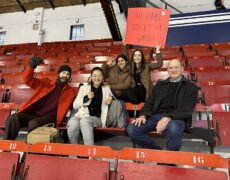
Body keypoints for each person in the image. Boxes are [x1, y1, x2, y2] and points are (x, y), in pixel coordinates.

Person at [126, 59, 198, 151]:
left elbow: (186, 109)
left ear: (182, 69)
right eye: (171, 67)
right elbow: (149, 102)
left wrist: (168, 117)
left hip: (176, 118)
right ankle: (157, 153)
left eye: (176, 67)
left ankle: (167, 162)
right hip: (155, 117)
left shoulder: (190, 87)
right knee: (132, 129)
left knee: (173, 128)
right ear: (167, 70)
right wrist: (143, 115)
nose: (173, 70)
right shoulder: (160, 85)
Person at [3, 57, 77, 140]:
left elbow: (76, 105)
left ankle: (30, 148)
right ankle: (6, 145)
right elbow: (27, 79)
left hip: (50, 118)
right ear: (58, 74)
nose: (65, 76)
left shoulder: (71, 92)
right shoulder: (45, 82)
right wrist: (31, 66)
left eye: (68, 74)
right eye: (63, 73)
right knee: (13, 118)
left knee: (33, 124)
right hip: (33, 114)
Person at [67, 67, 113, 145]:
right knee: (72, 124)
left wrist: (111, 97)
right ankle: (74, 153)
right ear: (91, 77)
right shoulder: (83, 88)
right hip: (80, 115)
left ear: (102, 78)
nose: (97, 78)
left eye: (99, 76)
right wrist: (86, 98)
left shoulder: (106, 89)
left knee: (85, 121)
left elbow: (113, 98)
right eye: (94, 76)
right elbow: (75, 105)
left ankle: (90, 154)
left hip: (96, 118)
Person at [122, 40, 163, 104]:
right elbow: (125, 56)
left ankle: (138, 105)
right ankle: (136, 107)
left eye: (139, 55)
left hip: (144, 90)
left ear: (142, 57)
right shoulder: (131, 66)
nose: (137, 57)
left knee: (128, 91)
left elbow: (159, 64)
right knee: (123, 91)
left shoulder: (147, 65)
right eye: (135, 55)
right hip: (134, 91)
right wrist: (124, 45)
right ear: (133, 57)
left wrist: (158, 50)